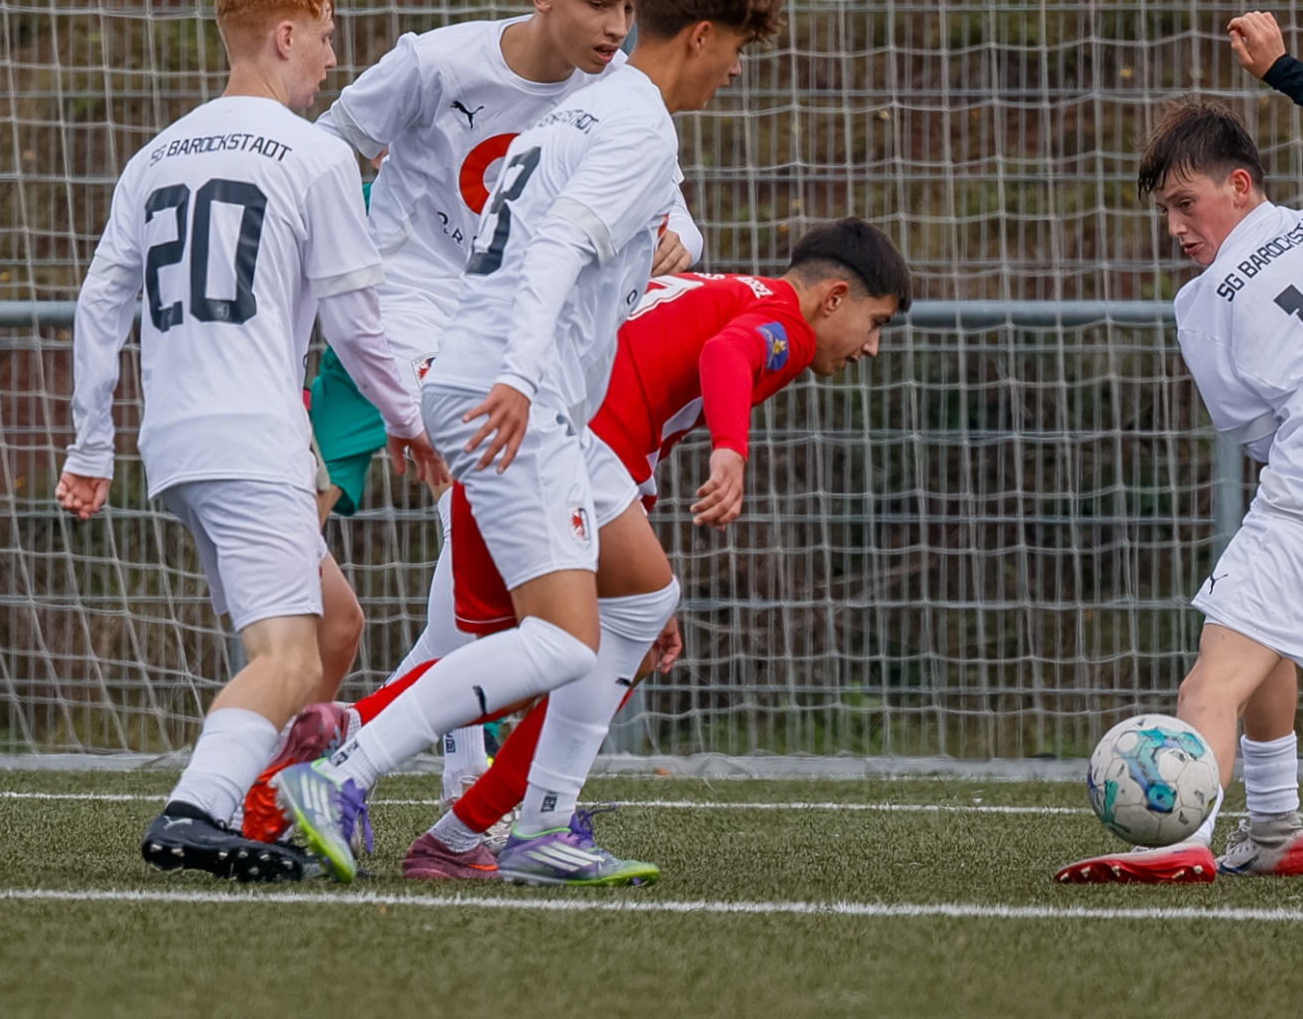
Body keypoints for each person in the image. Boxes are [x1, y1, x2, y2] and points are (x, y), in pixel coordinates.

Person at [272, 0, 784, 886]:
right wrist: (515, 375)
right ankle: (342, 767)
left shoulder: (583, 109)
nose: (736, 72)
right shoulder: (634, 123)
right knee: (556, 640)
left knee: (643, 595)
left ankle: (539, 826)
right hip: (512, 391)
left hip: (521, 390)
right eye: (739, 49)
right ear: (704, 35)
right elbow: (553, 252)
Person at [347, 219, 912, 880]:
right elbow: (728, 355)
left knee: (560, 651)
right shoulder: (787, 322)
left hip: (525, 433)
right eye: (876, 323)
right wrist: (730, 450)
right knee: (580, 638)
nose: (872, 347)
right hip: (564, 440)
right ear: (835, 296)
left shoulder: (730, 290)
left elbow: (643, 371)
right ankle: (404, 780)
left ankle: (430, 810)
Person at [57, 0, 445, 882]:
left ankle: (269, 802)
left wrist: (91, 444)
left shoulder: (155, 155)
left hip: (179, 442)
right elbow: (357, 322)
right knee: (287, 654)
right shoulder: (315, 155)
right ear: (284, 34)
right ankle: (199, 810)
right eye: (325, 38)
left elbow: (100, 304)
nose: (332, 59)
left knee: (336, 625)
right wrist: (409, 419)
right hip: (251, 438)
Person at [1057, 11, 1303, 885]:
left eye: (1186, 203)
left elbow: (1254, 433)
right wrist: (1286, 72)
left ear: (1240, 185)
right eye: (1165, 211)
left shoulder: (1202, 302)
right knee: (1263, 636)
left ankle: (1176, 843)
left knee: (1207, 683)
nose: (1176, 227)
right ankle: (1277, 831)